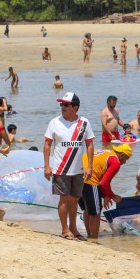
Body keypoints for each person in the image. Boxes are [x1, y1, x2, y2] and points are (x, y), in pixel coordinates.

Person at [44, 92, 95, 240]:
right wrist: (47, 166)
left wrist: (90, 166)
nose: (63, 107)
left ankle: (74, 228)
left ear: (75, 107)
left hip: (78, 169)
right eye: (62, 104)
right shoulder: (55, 122)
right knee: (64, 199)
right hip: (61, 168)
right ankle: (65, 229)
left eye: (66, 104)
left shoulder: (84, 123)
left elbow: (90, 144)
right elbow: (47, 144)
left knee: (74, 199)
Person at [79, 144, 131, 239]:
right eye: (126, 158)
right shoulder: (116, 162)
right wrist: (113, 197)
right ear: (122, 155)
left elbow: (101, 177)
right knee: (95, 213)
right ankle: (94, 239)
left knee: (87, 209)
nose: (125, 162)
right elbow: (104, 184)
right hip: (90, 181)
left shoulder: (105, 153)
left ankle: (90, 235)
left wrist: (105, 196)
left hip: (78, 177)